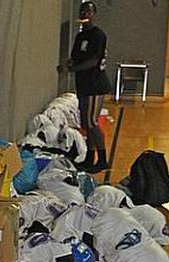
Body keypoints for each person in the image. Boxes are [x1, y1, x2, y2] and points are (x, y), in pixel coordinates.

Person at [58, 1, 113, 174]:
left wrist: (71, 69)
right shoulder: (80, 36)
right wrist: (68, 64)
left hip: (96, 84)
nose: (84, 14)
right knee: (85, 123)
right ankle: (90, 157)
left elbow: (93, 61)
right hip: (83, 84)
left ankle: (103, 159)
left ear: (94, 14)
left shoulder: (98, 35)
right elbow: (75, 57)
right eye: (82, 11)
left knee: (91, 122)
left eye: (88, 11)